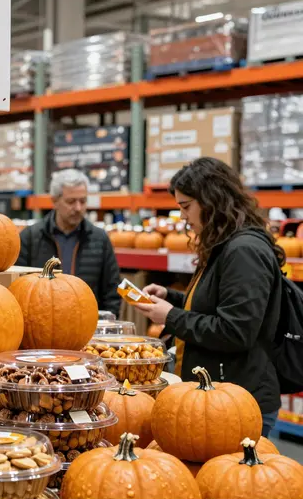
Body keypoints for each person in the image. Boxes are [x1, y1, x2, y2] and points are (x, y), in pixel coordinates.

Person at [136, 157, 284, 436]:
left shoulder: (244, 252)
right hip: (218, 396)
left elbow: (236, 330)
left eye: (186, 207)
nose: (182, 217)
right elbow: (216, 307)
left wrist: (170, 316)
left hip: (239, 402)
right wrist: (173, 298)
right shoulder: (224, 245)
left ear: (211, 202)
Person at [17, 169, 121, 317]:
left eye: (83, 201)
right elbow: (18, 286)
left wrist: (107, 324)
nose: (78, 208)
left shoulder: (100, 239)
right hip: (41, 322)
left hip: (86, 324)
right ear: (55, 201)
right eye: (71, 201)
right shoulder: (30, 238)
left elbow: (112, 290)